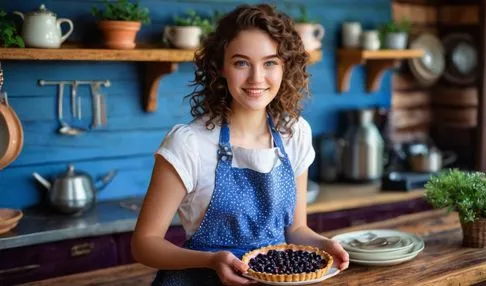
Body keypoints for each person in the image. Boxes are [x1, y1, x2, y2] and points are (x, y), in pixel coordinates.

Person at [131, 3, 349, 286]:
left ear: (285, 67)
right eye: (241, 63)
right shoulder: (189, 143)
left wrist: (324, 244)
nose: (256, 78)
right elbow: (144, 244)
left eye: (270, 62)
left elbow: (295, 228)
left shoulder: (295, 134)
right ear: (221, 67)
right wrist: (210, 261)